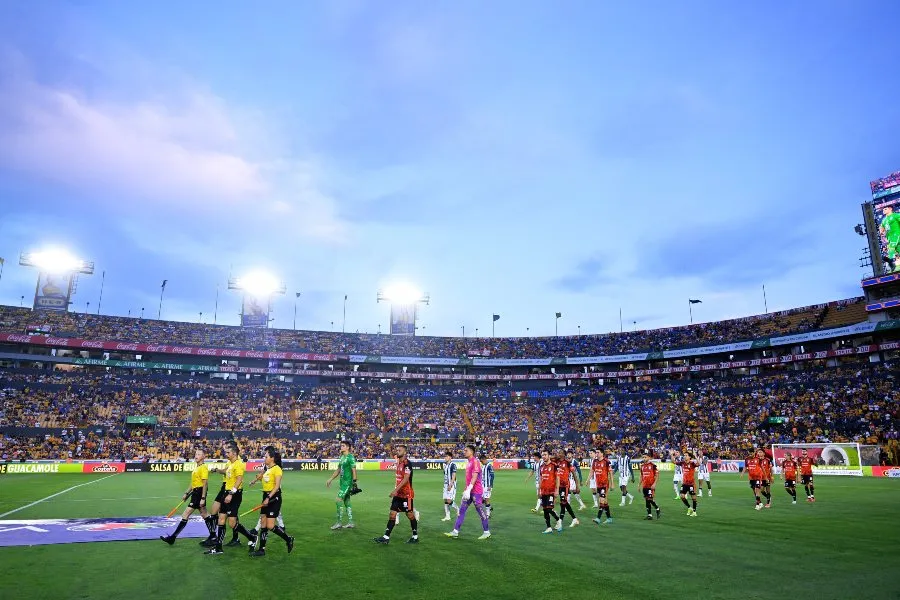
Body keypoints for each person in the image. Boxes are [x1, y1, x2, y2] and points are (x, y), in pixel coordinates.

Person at [204, 443, 255, 555]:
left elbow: (239, 480)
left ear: (234, 453)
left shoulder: (238, 464)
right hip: (226, 493)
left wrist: (231, 493)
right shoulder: (231, 464)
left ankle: (252, 537)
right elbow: (226, 471)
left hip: (234, 495)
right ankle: (218, 547)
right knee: (221, 519)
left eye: (228, 452)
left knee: (232, 523)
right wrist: (217, 470)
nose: (226, 454)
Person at [249, 446, 294, 557]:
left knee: (270, 525)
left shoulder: (277, 469)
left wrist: (268, 498)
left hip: (274, 497)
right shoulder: (267, 468)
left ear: (272, 458)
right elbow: (261, 475)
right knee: (263, 523)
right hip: (266, 496)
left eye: (266, 456)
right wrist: (254, 481)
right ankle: (261, 549)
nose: (264, 458)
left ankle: (288, 539)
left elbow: (277, 486)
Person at [160, 448, 210, 545]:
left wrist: (203, 498)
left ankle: (173, 537)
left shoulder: (203, 467)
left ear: (203, 456)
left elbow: (205, 484)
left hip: (199, 493)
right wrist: (187, 493)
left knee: (186, 514)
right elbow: (193, 483)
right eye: (196, 454)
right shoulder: (197, 467)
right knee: (205, 514)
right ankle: (213, 535)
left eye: (199, 454)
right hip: (195, 492)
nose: (196, 455)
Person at [374, 444, 418, 545]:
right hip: (398, 495)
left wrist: (395, 490)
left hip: (407, 495)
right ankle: (386, 537)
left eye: (400, 450)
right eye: (397, 450)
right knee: (392, 514)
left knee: (410, 515)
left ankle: (415, 536)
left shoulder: (407, 464)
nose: (397, 451)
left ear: (405, 452)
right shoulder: (398, 463)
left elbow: (406, 479)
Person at [445, 445, 491, 540]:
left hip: (476, 492)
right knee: (462, 510)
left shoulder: (475, 462)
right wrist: (466, 490)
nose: (464, 451)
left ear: (472, 452)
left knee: (480, 510)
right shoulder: (469, 462)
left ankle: (487, 532)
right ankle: (455, 531)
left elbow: (474, 477)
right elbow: (469, 478)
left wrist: (469, 489)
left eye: (466, 450)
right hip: (468, 492)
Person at [326, 440, 358, 529]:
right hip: (342, 483)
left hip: (347, 483)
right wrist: (331, 479)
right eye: (341, 445)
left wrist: (354, 482)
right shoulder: (342, 457)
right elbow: (338, 470)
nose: (341, 447)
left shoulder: (350, 457)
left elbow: (354, 470)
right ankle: (351, 522)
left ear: (347, 447)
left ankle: (339, 522)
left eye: (343, 445)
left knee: (338, 500)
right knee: (347, 501)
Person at [537, 449, 561, 534]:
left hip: (551, 491)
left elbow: (558, 478)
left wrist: (557, 490)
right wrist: (539, 491)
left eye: (545, 455)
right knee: (545, 509)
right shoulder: (542, 467)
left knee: (549, 508)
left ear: (549, 455)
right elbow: (541, 479)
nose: (543, 456)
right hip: (543, 491)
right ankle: (549, 527)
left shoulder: (554, 466)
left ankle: (558, 520)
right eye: (542, 455)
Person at [554, 449, 579, 528]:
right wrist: (556, 456)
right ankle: (574, 519)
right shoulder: (556, 461)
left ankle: (560, 522)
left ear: (564, 455)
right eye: (558, 452)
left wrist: (577, 486)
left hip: (565, 486)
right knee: (564, 502)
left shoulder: (568, 463)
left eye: (560, 453)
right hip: (558, 485)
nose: (559, 454)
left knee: (562, 503)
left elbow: (574, 475)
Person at [592, 448, 613, 526]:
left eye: (597, 452)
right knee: (605, 502)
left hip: (605, 484)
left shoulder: (607, 462)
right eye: (596, 452)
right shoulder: (595, 461)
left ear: (601, 453)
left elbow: (610, 473)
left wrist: (612, 484)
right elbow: (593, 470)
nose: (596, 454)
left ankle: (598, 518)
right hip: (599, 484)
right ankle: (609, 518)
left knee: (601, 500)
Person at [639, 455, 660, 520]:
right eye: (643, 457)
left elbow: (657, 475)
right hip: (644, 486)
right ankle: (649, 515)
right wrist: (639, 485)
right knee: (647, 500)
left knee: (650, 499)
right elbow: (641, 476)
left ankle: (657, 508)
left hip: (650, 486)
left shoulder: (653, 465)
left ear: (649, 458)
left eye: (645, 457)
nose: (644, 458)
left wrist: (654, 484)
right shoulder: (642, 466)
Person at [678, 452, 699, 517]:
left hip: (691, 484)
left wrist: (695, 456)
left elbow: (698, 464)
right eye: (684, 455)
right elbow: (673, 462)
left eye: (686, 455)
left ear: (689, 457)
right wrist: (671, 455)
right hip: (684, 483)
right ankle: (689, 507)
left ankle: (694, 512)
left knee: (693, 498)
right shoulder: (682, 463)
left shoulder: (692, 463)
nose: (685, 456)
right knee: (682, 496)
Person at [441, 451, 458, 522]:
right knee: (445, 500)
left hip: (451, 485)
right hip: (445, 485)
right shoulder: (445, 465)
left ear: (450, 457)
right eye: (445, 456)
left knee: (449, 501)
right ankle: (447, 516)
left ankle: (458, 509)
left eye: (446, 456)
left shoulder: (453, 465)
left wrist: (450, 485)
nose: (445, 458)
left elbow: (454, 475)